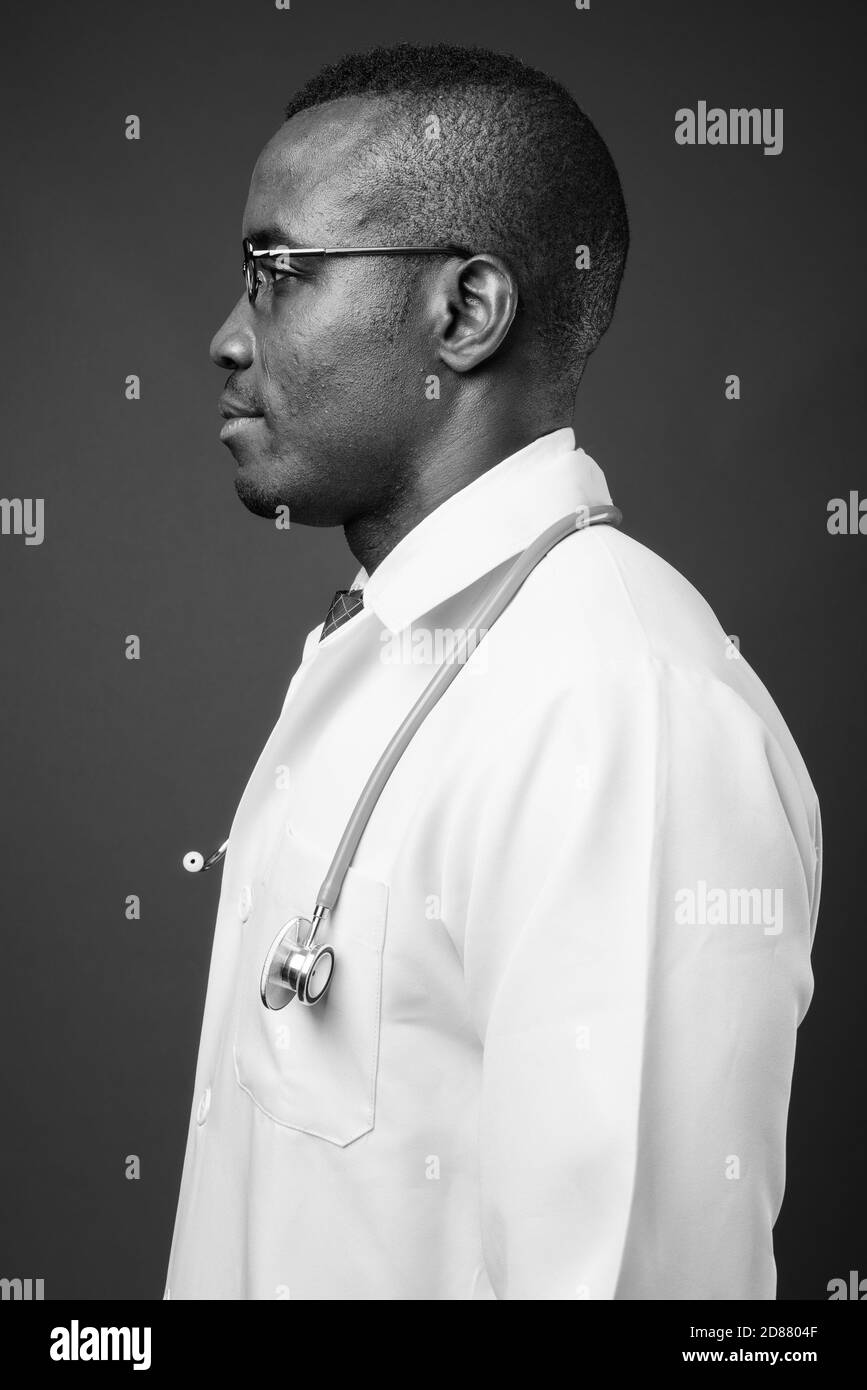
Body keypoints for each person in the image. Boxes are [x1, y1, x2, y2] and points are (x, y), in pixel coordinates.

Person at [164, 41, 822, 1300]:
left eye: (278, 272)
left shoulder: (618, 712)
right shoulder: (386, 651)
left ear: (463, 313)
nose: (226, 338)